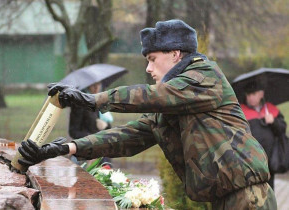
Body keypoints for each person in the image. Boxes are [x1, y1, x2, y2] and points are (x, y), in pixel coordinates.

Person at [18, 20, 277, 209]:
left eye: (153, 59)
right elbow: (128, 136)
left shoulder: (204, 77)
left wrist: (91, 100)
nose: (148, 68)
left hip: (249, 198)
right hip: (227, 199)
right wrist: (66, 149)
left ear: (175, 54)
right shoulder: (173, 102)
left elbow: (153, 96)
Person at [241, 81, 287, 189]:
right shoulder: (241, 111)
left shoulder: (271, 109)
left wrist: (273, 121)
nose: (250, 97)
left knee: (270, 189)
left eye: (253, 94)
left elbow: (282, 130)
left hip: (270, 159)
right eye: (248, 95)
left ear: (261, 94)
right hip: (250, 160)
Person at [69, 82, 112, 165]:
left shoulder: (101, 101)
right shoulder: (79, 103)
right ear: (88, 85)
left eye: (98, 84)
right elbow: (73, 131)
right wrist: (92, 139)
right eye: (93, 85)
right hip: (85, 148)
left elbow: (109, 130)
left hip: (102, 148)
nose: (96, 87)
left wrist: (106, 125)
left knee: (106, 170)